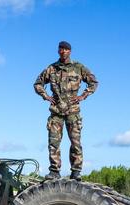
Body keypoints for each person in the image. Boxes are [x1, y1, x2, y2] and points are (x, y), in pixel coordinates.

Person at [34, 41, 98, 181]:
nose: (62, 51)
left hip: (73, 112)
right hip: (56, 112)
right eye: (60, 49)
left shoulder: (78, 68)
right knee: (54, 143)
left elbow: (94, 82)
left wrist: (83, 95)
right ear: (58, 51)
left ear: (70, 51)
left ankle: (76, 172)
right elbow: (38, 84)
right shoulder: (52, 68)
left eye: (65, 49)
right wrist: (46, 96)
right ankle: (55, 171)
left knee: (75, 143)